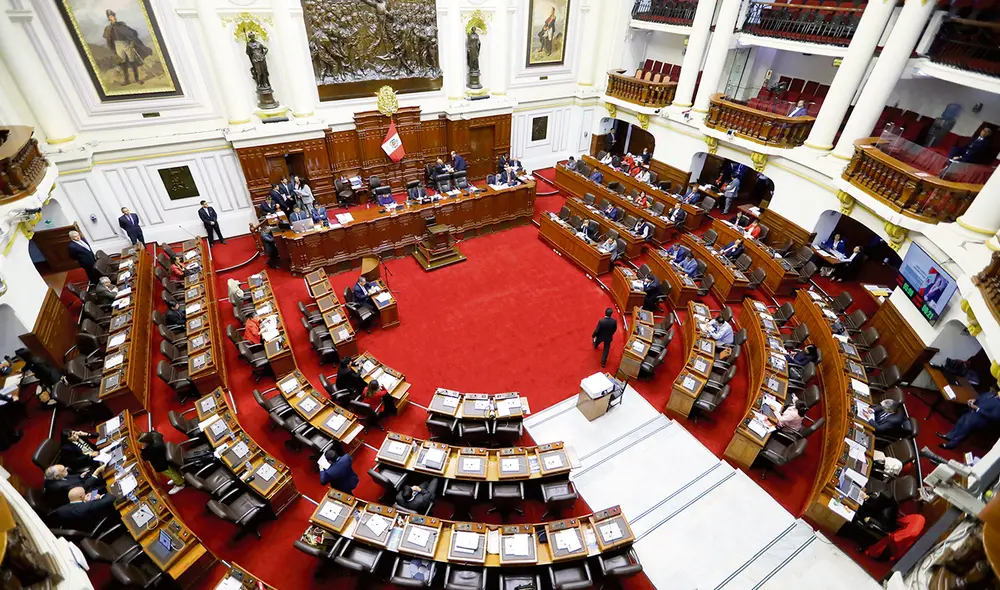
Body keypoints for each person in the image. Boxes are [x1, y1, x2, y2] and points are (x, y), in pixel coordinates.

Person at [49, 486, 118, 532]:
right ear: (82, 496)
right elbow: (111, 498)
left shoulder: (62, 508)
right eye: (85, 493)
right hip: (91, 527)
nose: (87, 493)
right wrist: (100, 497)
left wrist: (86, 500)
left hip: (75, 525)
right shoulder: (88, 506)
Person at [138, 431, 186, 495]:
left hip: (161, 464)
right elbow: (160, 435)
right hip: (165, 456)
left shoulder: (152, 449)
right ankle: (178, 478)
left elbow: (144, 457)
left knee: (171, 474)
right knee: (173, 471)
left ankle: (180, 484)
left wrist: (144, 448)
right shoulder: (154, 435)